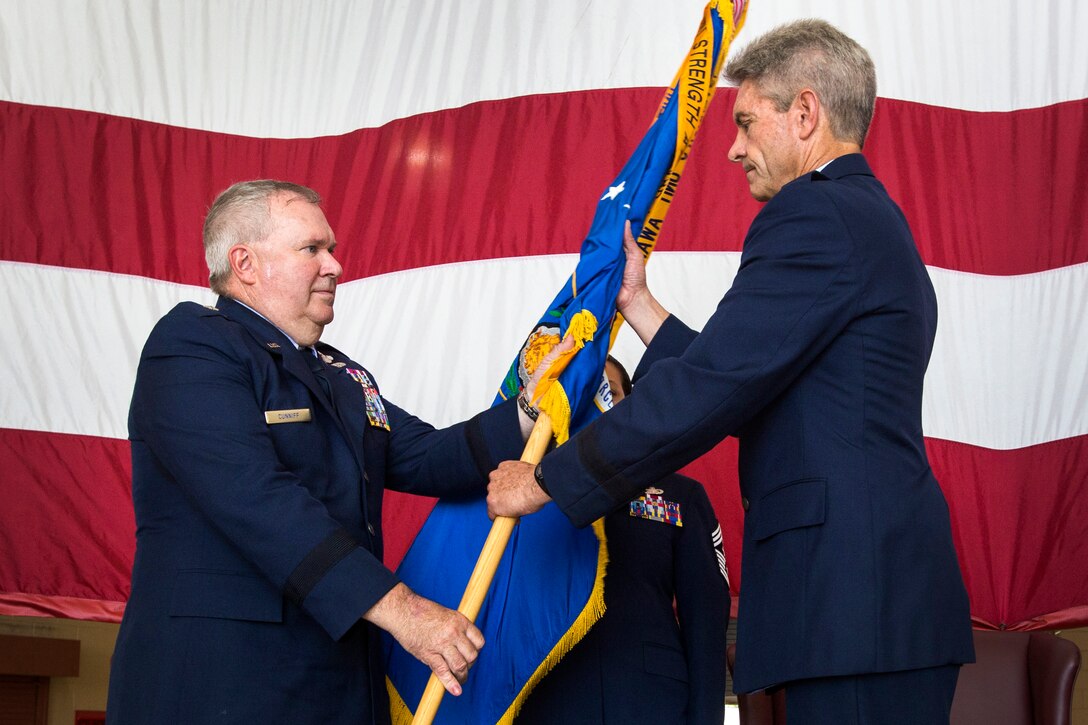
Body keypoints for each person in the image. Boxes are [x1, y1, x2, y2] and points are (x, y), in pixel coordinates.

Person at [488, 19, 975, 724]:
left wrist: (548, 480)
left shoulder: (814, 211)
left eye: (747, 122)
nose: (732, 146)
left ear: (805, 114)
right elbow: (752, 381)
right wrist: (638, 303)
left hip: (855, 603)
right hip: (869, 602)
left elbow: (713, 387)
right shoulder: (860, 217)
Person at [106, 180, 544, 725]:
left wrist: (535, 402)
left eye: (330, 249)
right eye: (311, 249)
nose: (334, 265)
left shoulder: (340, 376)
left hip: (333, 681)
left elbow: (432, 456)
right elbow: (259, 501)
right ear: (245, 264)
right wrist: (403, 611)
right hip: (224, 683)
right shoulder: (194, 346)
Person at [515, 356, 730, 725]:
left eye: (607, 394)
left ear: (629, 407)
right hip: (547, 702)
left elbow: (706, 625)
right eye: (584, 393)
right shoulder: (517, 497)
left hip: (649, 702)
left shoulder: (680, 495)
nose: (595, 405)